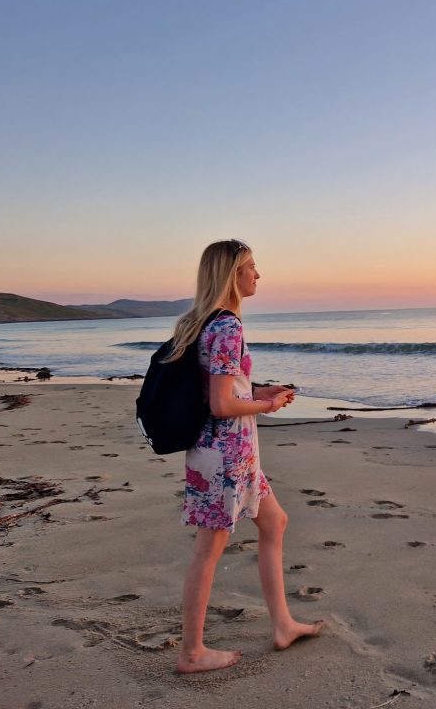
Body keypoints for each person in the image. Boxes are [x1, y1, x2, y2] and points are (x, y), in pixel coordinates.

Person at [168, 239, 324, 674]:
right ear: (232, 274)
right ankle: (192, 652)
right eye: (251, 267)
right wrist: (267, 407)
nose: (258, 275)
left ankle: (283, 624)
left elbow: (220, 388)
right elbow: (221, 405)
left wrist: (258, 391)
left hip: (226, 453)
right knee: (209, 549)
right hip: (225, 455)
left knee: (274, 522)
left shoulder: (201, 322)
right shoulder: (227, 327)